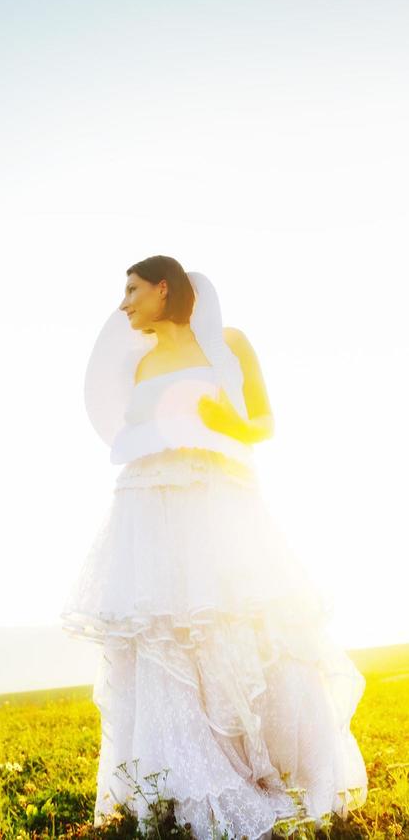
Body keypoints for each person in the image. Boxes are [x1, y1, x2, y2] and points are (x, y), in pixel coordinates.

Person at [60, 255, 368, 840]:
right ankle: (177, 780)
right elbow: (132, 433)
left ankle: (269, 770)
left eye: (131, 290)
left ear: (162, 288)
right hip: (153, 514)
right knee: (166, 641)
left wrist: (227, 419)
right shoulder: (142, 362)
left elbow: (264, 425)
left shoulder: (230, 344)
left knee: (241, 631)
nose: (123, 303)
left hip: (221, 508)